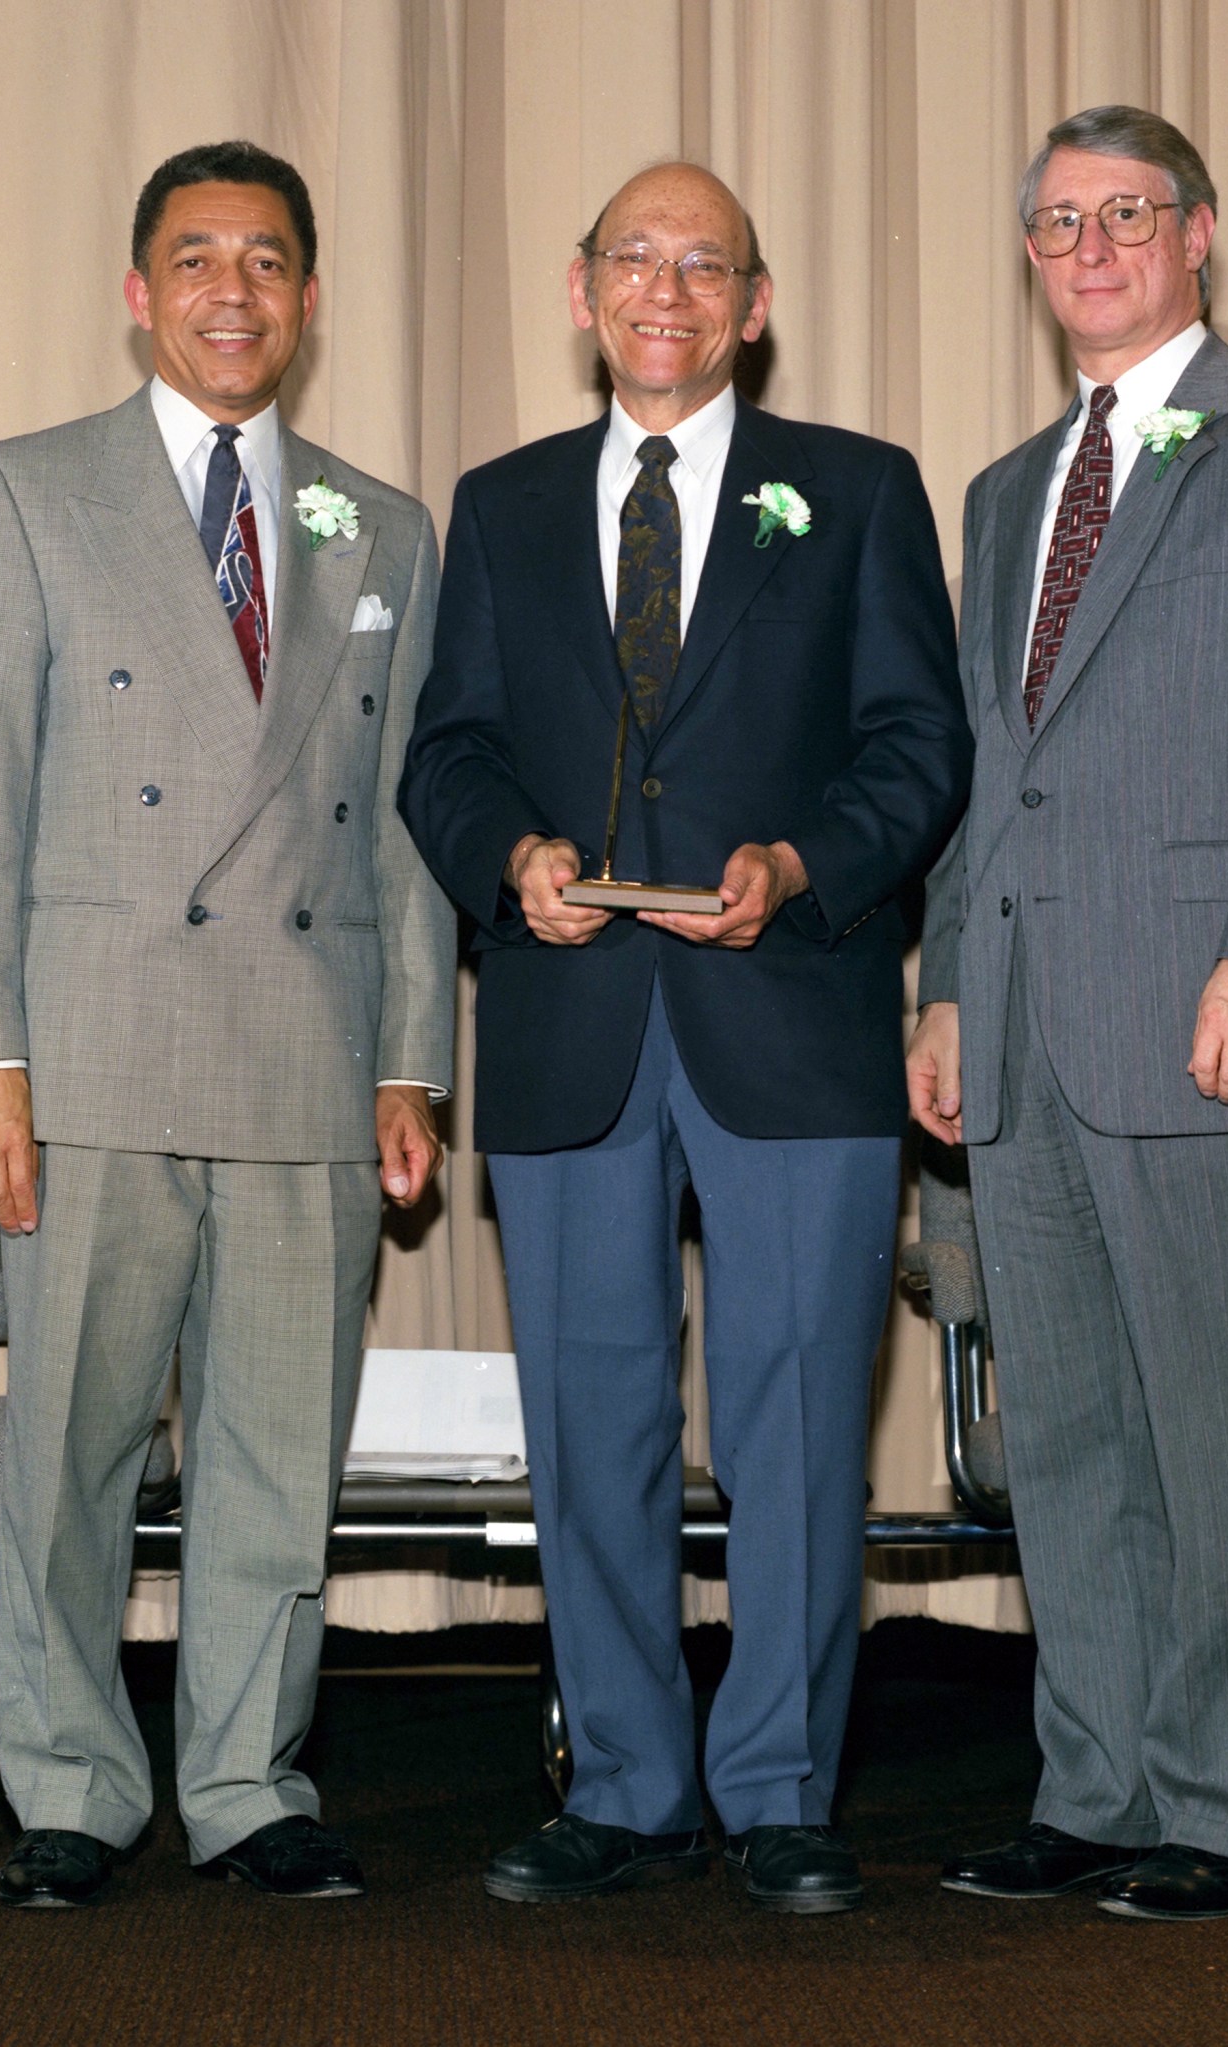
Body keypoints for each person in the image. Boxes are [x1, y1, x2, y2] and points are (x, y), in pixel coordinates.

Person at [400, 160, 969, 1914]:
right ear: (580, 294)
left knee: (799, 1424)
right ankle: (630, 1781)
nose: (667, 289)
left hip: (792, 1021)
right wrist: (509, 859)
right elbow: (447, 752)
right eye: (633, 260)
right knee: (591, 1422)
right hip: (572, 1024)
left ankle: (781, 1786)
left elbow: (918, 748)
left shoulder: (857, 493)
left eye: (701, 264)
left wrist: (803, 866)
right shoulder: (493, 509)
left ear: (755, 301)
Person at [0, 140, 455, 1908]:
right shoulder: (24, 492)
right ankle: (66, 1782)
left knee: (275, 1456)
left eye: (270, 260)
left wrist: (406, 1057)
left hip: (306, 1055)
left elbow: (401, 820)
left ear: (305, 298)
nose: (235, 290)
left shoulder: (375, 523)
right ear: (140, 293)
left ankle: (246, 1779)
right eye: (197, 259)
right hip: (89, 1051)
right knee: (68, 1446)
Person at [909, 105, 1228, 1921]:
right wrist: (949, 990)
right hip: (1027, 1035)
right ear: (1031, 259)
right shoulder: (1003, 490)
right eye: (1058, 223)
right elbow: (987, 775)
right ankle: (1096, 1790)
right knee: (1072, 1450)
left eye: (1127, 213)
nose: (1092, 245)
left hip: (1212, 1014)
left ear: (1197, 233)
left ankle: (1225, 1810)